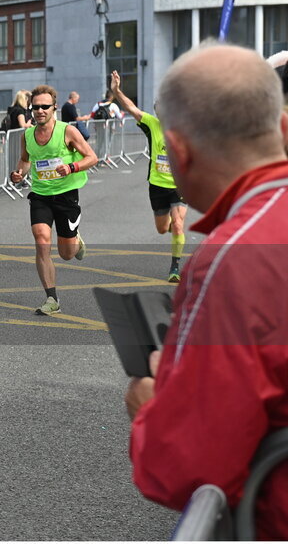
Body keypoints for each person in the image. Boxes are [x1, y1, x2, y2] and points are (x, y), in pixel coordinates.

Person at [124, 43, 288, 540]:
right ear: (280, 127)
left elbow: (187, 467)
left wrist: (149, 404)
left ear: (179, 151)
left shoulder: (233, 260)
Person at [9, 84, 97, 315]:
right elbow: (26, 161)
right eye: (36, 107)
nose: (40, 111)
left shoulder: (67, 131)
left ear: (54, 107)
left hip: (66, 195)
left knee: (67, 254)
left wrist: (71, 166)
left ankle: (76, 239)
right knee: (41, 241)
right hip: (40, 195)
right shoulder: (27, 134)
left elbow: (92, 157)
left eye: (45, 106)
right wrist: (19, 173)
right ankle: (51, 298)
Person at [108, 71, 187, 282]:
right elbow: (131, 108)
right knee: (162, 229)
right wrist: (116, 91)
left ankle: (175, 268)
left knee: (178, 224)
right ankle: (170, 222)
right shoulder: (152, 124)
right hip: (157, 185)